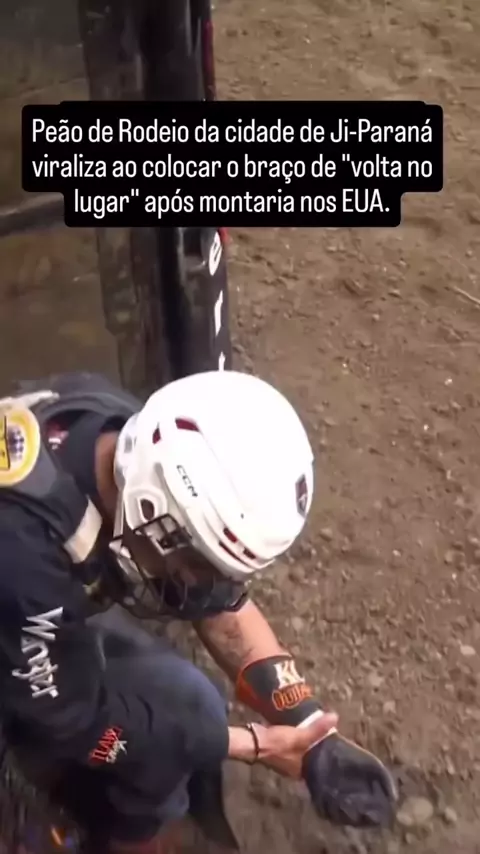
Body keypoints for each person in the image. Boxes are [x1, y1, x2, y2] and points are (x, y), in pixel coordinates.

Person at [0, 370, 397, 854]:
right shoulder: (28, 559)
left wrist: (312, 732)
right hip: (20, 603)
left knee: (186, 704)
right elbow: (76, 725)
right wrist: (251, 745)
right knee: (171, 728)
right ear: (150, 510)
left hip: (26, 608)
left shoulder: (126, 438)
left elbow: (223, 609)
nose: (198, 584)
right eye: (197, 565)